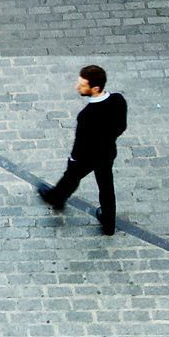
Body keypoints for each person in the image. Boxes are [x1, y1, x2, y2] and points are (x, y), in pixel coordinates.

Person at [38, 65, 128, 235]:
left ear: (95, 88)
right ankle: (109, 224)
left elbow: (80, 144)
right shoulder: (118, 100)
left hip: (87, 156)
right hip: (107, 152)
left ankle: (56, 198)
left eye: (82, 85)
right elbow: (121, 127)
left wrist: (73, 159)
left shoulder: (86, 115)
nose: (77, 87)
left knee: (71, 176)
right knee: (106, 186)